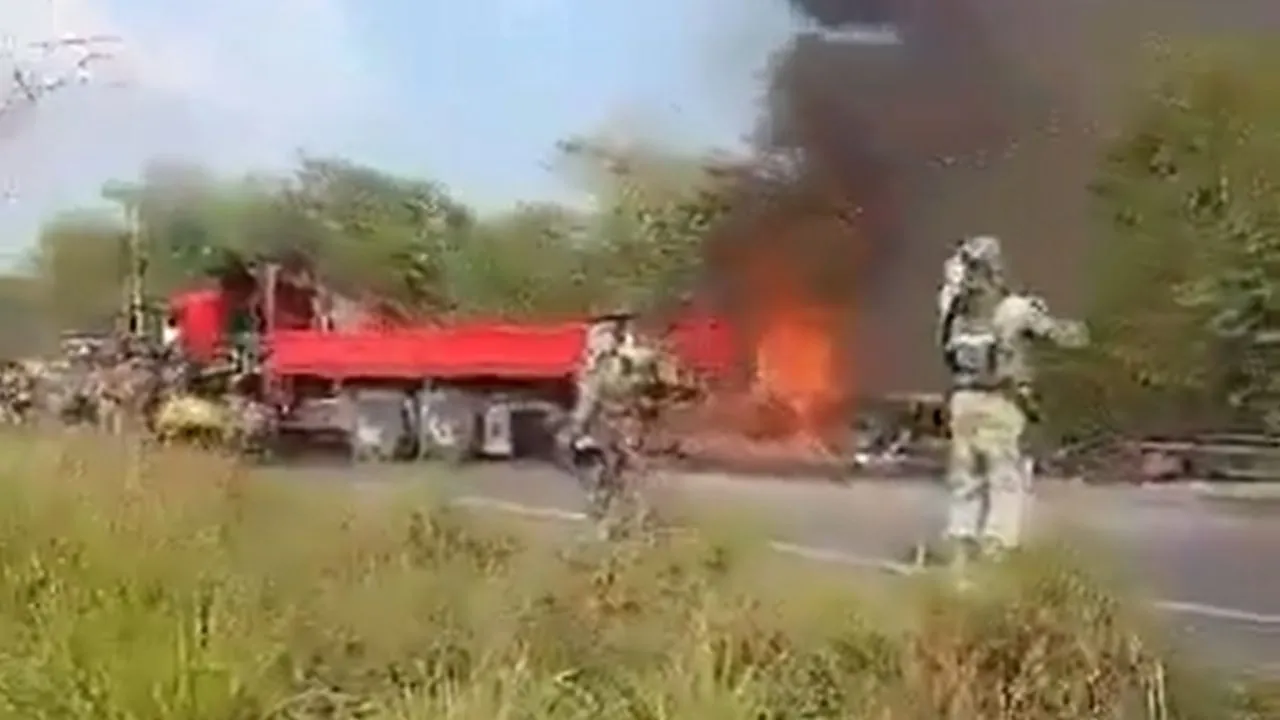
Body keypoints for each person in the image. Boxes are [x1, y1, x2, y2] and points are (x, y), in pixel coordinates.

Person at [937, 235, 1088, 568]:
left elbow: (948, 295)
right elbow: (1063, 336)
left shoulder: (953, 311)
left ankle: (960, 560)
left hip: (962, 402)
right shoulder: (1014, 310)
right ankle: (997, 554)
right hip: (1000, 403)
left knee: (965, 482)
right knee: (1005, 479)